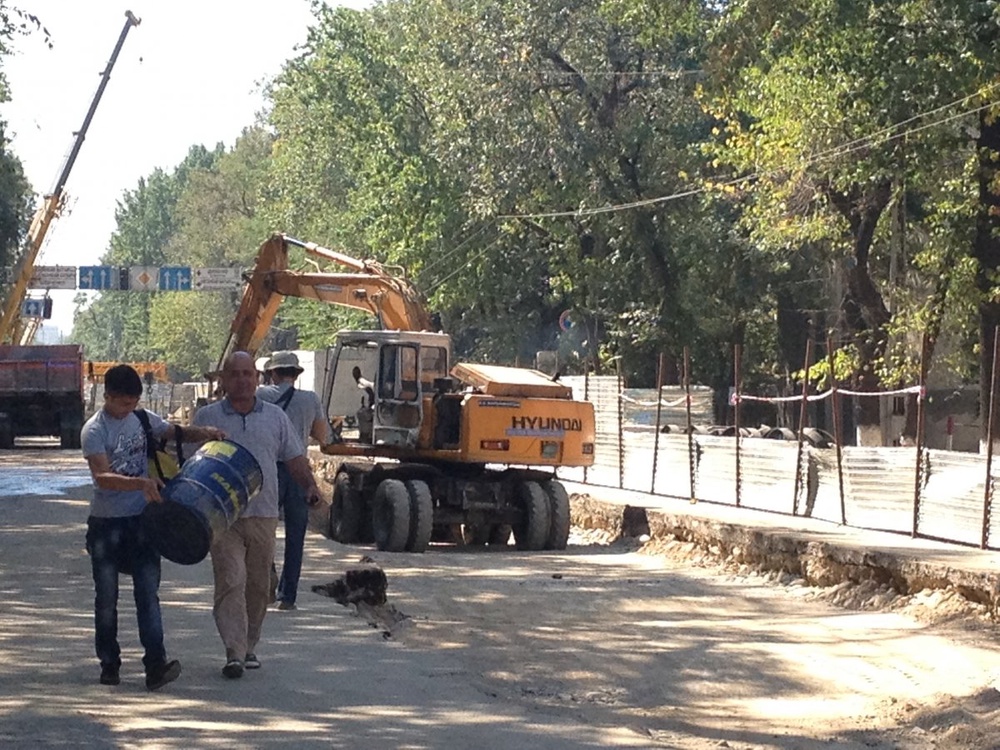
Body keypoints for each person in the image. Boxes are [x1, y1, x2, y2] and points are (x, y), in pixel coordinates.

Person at [81, 363, 225, 690]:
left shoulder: (142, 419)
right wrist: (140, 484)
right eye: (122, 403)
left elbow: (172, 432)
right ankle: (109, 662)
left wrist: (204, 433)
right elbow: (101, 477)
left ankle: (156, 665)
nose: (127, 409)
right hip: (107, 525)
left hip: (143, 523)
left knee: (148, 594)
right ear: (108, 397)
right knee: (107, 596)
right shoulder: (94, 430)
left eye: (133, 403)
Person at [193, 351, 323, 679]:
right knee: (231, 580)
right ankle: (234, 651)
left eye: (247, 374)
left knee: (258, 585)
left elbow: (294, 458)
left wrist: (309, 486)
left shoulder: (275, 418)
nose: (242, 380)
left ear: (258, 378)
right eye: (234, 374)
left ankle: (250, 644)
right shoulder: (207, 417)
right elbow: (188, 463)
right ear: (223, 380)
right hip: (223, 516)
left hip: (264, 513)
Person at [257, 351, 332, 611]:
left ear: (273, 374)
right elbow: (322, 435)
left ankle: (267, 575)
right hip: (298, 471)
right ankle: (288, 597)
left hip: (269, 470)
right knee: (295, 535)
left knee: (262, 528)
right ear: (296, 374)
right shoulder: (310, 399)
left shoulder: (262, 396)